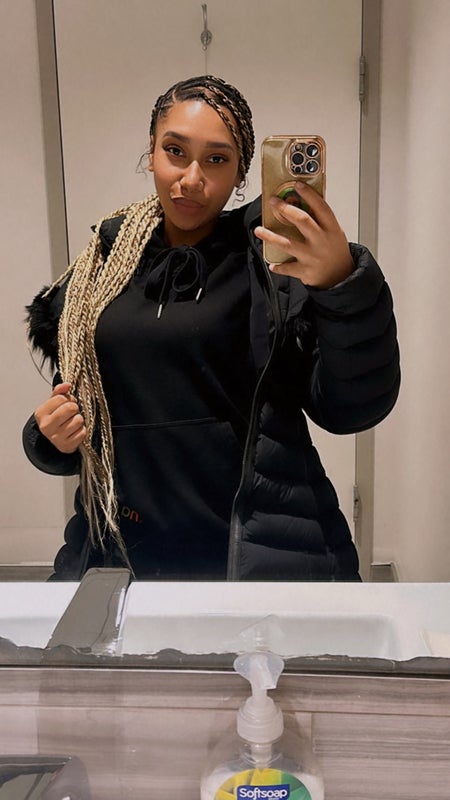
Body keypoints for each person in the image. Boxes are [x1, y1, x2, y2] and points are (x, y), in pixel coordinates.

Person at [23, 75, 400, 582]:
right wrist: (50, 436)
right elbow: (79, 407)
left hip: (262, 552)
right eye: (175, 151)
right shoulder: (104, 267)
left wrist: (340, 284)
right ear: (151, 151)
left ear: (242, 171)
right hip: (124, 556)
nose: (191, 178)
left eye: (217, 159)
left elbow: (351, 407)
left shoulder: (273, 265)